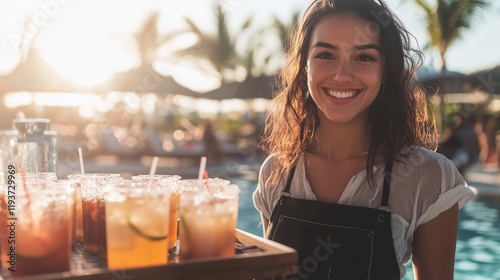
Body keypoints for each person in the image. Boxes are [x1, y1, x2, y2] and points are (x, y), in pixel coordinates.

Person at [252, 0, 475, 279]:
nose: (342, 75)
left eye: (364, 57)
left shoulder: (429, 178)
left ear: (385, 73)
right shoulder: (276, 172)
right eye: (325, 55)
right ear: (304, 66)